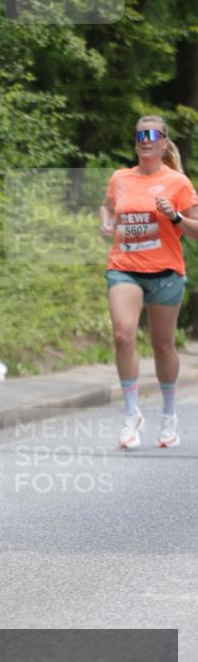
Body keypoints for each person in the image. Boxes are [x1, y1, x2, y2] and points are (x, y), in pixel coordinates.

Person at [100, 115, 198, 449]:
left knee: (163, 345)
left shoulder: (178, 183)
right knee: (123, 335)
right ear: (136, 141)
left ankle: (169, 415)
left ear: (163, 143)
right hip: (124, 267)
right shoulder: (120, 178)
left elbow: (196, 230)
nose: (146, 139)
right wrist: (107, 222)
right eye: (141, 134)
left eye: (153, 134)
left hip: (166, 272)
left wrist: (175, 216)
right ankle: (131, 414)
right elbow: (107, 207)